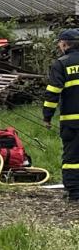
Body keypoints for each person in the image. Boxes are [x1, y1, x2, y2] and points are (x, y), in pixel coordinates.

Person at [42, 28, 79, 200]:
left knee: (73, 157)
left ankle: (75, 191)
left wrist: (47, 116)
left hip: (72, 122)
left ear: (64, 44)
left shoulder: (62, 63)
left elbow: (53, 92)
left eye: (59, 43)